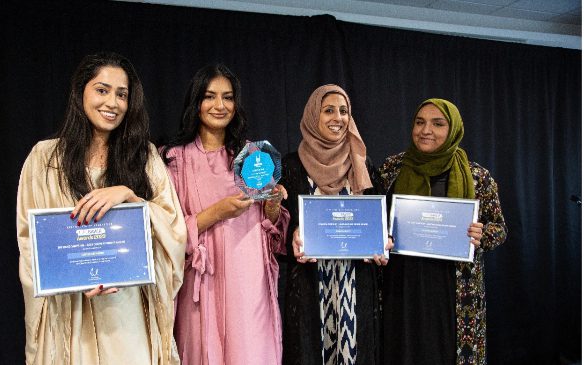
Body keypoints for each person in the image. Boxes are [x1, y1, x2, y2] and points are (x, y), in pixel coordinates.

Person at [16, 52, 187, 364]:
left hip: (126, 310)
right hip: (69, 312)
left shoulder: (144, 157)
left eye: (122, 95)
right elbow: (29, 242)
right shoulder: (44, 159)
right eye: (102, 90)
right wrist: (73, 277)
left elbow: (174, 230)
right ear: (81, 91)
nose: (113, 103)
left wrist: (130, 198)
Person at [162, 63, 290, 365]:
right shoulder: (173, 159)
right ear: (196, 103)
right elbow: (164, 233)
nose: (220, 105)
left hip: (248, 282)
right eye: (210, 96)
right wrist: (216, 213)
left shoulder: (252, 157)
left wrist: (272, 205)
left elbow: (271, 230)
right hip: (199, 283)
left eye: (228, 97)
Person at [379, 98, 507, 365]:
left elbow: (499, 229)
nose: (426, 130)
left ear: (453, 130)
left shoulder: (477, 176)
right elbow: (375, 217)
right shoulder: (392, 168)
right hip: (402, 283)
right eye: (419, 122)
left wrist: (482, 235)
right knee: (402, 349)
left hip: (454, 288)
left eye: (438, 124)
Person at [280, 84, 391, 365]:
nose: (337, 118)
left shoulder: (363, 165)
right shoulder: (291, 167)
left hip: (356, 287)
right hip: (308, 285)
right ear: (312, 116)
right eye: (328, 110)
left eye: (344, 111)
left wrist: (383, 241)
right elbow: (276, 226)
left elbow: (380, 222)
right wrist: (291, 232)